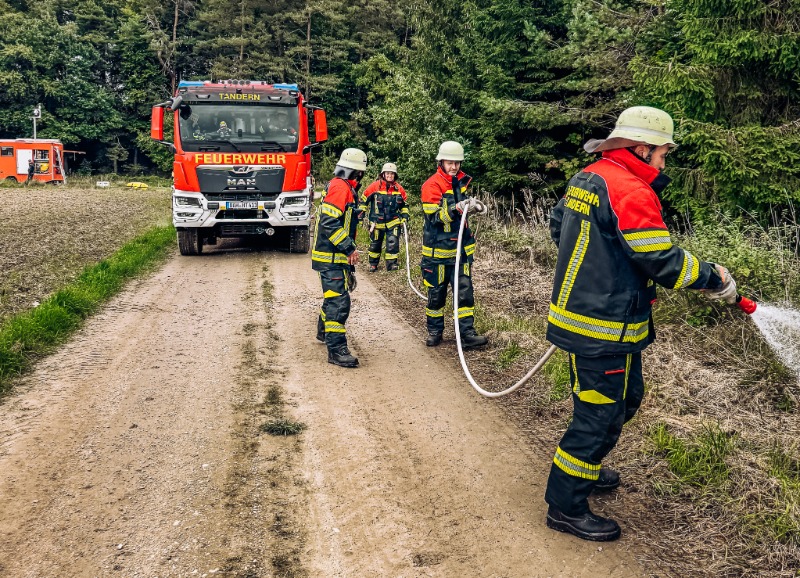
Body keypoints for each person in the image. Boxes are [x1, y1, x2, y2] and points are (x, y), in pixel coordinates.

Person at [544, 106, 737, 542]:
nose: (665, 161)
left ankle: (585, 469)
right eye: (663, 153)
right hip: (602, 328)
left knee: (625, 400)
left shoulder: (590, 175)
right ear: (642, 148)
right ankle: (565, 505)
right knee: (599, 415)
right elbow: (662, 261)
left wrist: (599, 262)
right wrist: (714, 276)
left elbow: (559, 224)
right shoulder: (628, 189)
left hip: (601, 322)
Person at [420, 141, 489, 349]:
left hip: (461, 251)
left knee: (465, 294)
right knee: (436, 295)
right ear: (441, 162)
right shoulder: (431, 185)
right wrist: (457, 208)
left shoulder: (461, 182)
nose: (454, 167)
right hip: (437, 252)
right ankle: (434, 331)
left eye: (457, 163)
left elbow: (462, 217)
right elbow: (433, 217)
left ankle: (467, 334)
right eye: (450, 163)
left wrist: (472, 207)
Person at [312, 148, 368, 368]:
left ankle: (323, 332)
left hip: (332, 256)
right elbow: (329, 223)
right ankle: (336, 350)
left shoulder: (342, 187)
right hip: (331, 256)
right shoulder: (340, 188)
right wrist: (348, 249)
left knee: (333, 296)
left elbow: (340, 218)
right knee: (338, 301)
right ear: (357, 172)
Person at [359, 162, 409, 272]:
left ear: (395, 175)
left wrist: (405, 216)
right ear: (383, 174)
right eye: (388, 173)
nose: (390, 176)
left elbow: (405, 205)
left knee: (393, 243)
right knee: (375, 244)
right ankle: (373, 264)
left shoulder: (399, 189)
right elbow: (363, 200)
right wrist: (361, 213)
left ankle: (392, 265)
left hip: (394, 221)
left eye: (392, 174)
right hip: (377, 222)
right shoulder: (375, 186)